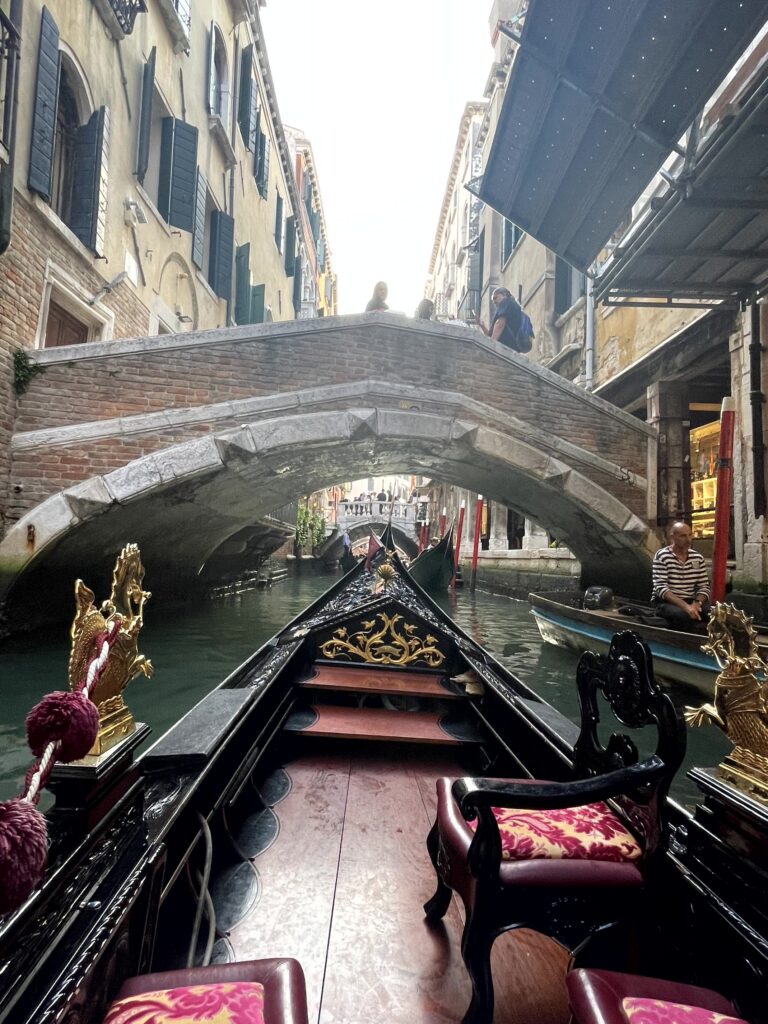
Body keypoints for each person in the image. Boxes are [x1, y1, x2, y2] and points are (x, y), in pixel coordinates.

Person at [651, 521, 711, 630]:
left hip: (691, 600)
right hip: (667, 602)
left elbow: (704, 586)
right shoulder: (662, 556)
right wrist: (686, 607)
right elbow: (661, 588)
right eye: (683, 536)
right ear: (673, 537)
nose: (688, 540)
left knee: (714, 614)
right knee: (683, 616)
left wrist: (696, 603)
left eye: (690, 535)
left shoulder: (697, 558)